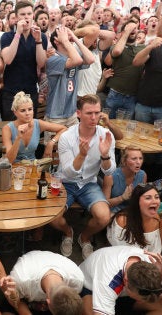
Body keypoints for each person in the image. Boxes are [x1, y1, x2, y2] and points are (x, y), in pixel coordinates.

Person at [56, 94, 116, 260]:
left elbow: (110, 172)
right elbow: (67, 173)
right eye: (89, 113)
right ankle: (68, 232)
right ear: (78, 113)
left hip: (89, 184)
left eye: (97, 113)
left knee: (104, 216)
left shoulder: (106, 135)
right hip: (65, 183)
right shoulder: (66, 137)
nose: (94, 117)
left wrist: (105, 155)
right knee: (53, 217)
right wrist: (81, 155)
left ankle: (85, 237)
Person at [79, 246, 162, 315]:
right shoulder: (109, 280)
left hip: (123, 295)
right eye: (142, 299)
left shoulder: (153, 266)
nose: (144, 301)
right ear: (126, 281)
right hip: (91, 289)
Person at [0, 0, 47, 121]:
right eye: (22, 14)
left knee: (29, 129)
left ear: (33, 16)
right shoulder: (7, 37)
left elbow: (41, 63)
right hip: (11, 92)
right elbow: (8, 59)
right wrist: (18, 33)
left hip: (30, 91)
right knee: (11, 130)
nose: (26, 17)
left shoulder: (40, 36)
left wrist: (38, 41)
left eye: (29, 14)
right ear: (16, 18)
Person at [7, 250, 84, 315]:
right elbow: (16, 301)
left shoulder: (78, 280)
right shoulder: (21, 279)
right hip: (24, 291)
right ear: (47, 303)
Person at [2, 92, 66, 163]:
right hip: (14, 167)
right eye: (23, 110)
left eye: (30, 109)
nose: (27, 113)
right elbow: (9, 160)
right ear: (15, 112)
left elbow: (63, 128)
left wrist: (51, 143)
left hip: (33, 167)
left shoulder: (38, 124)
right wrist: (18, 138)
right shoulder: (7, 128)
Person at [107, 183, 162, 254]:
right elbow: (119, 252)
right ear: (137, 201)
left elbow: (155, 251)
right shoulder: (122, 221)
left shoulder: (156, 219)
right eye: (148, 198)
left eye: (157, 197)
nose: (154, 201)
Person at [102, 146, 147, 213]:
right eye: (134, 159)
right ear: (124, 161)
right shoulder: (110, 176)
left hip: (131, 211)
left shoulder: (143, 175)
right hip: (113, 210)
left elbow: (141, 198)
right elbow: (103, 204)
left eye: (140, 158)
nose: (138, 162)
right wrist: (122, 198)